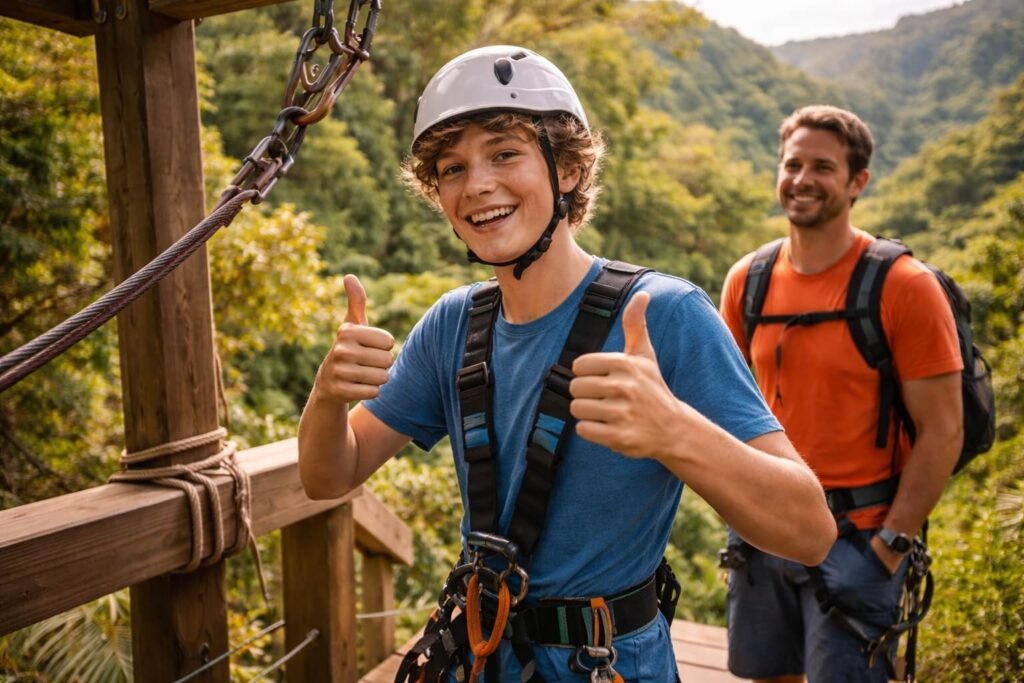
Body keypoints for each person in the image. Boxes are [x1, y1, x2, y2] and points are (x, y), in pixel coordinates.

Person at [298, 45, 835, 681]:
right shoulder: (454, 325)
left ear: (570, 169)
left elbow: (809, 529)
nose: (477, 186)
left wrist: (675, 431)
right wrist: (329, 397)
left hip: (608, 664)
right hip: (481, 655)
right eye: (451, 168)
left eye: (504, 153)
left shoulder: (663, 314)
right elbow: (331, 475)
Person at [719, 105, 965, 683]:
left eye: (822, 167)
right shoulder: (746, 282)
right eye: (792, 164)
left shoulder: (904, 287)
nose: (802, 179)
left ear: (858, 182)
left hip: (859, 538)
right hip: (763, 533)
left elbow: (943, 430)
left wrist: (889, 548)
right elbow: (723, 409)